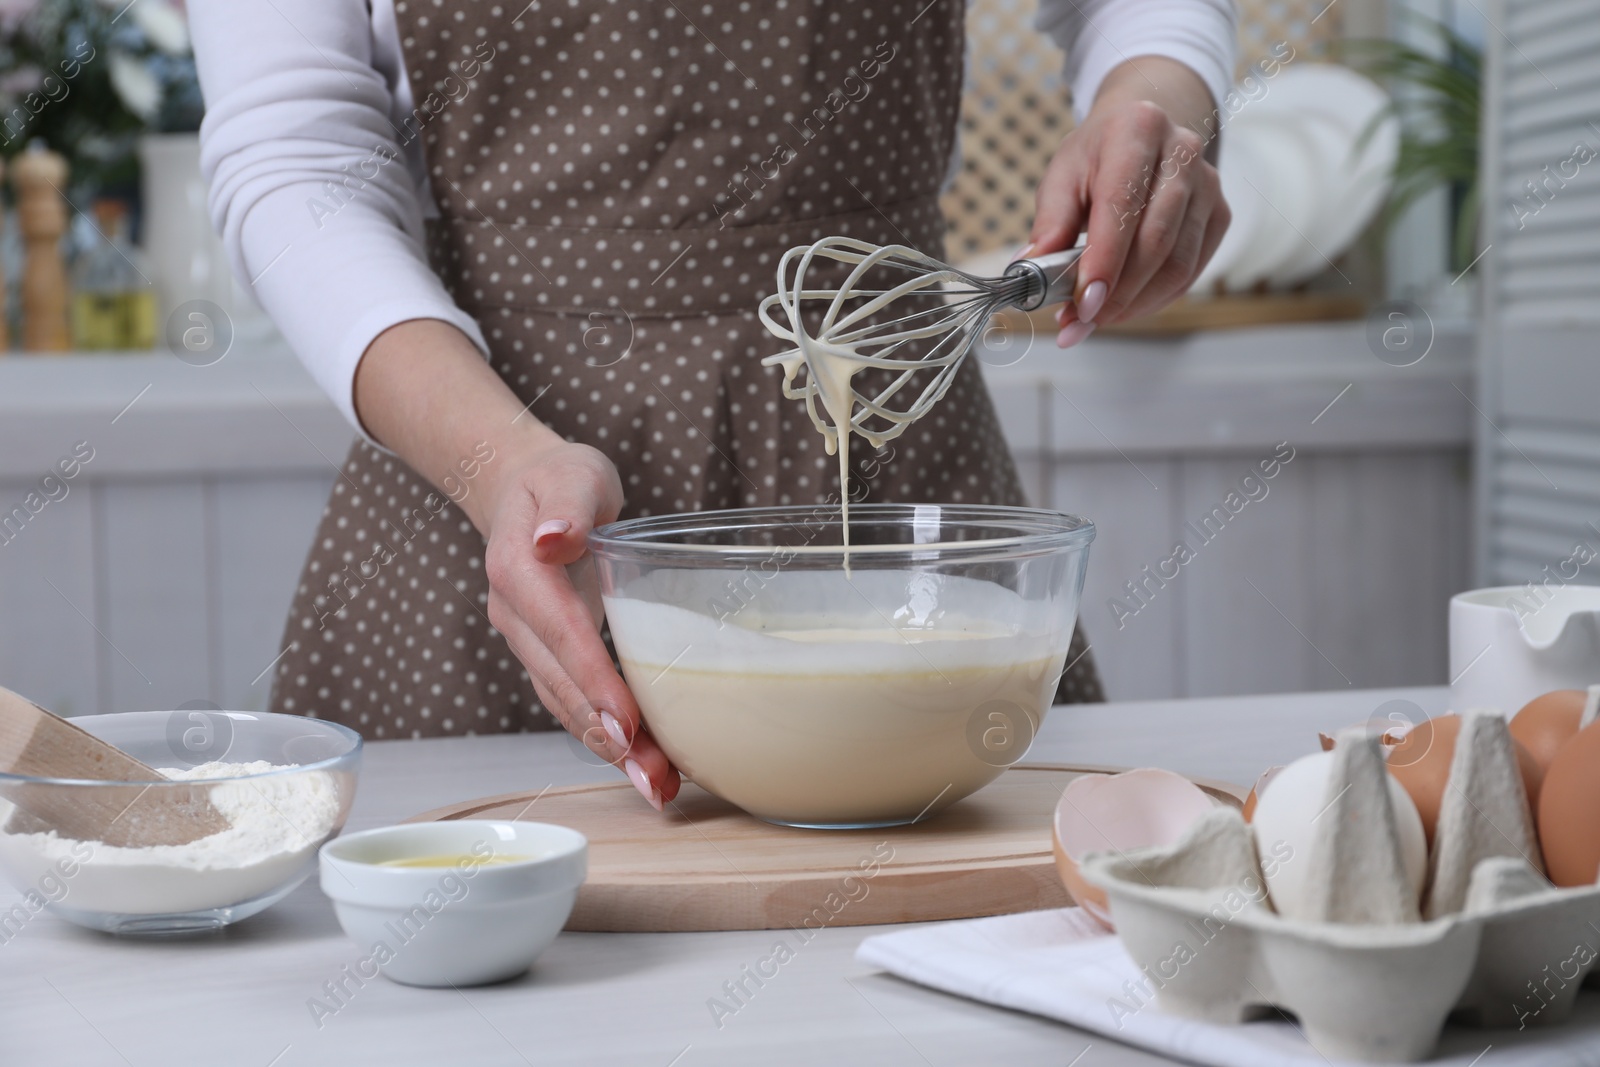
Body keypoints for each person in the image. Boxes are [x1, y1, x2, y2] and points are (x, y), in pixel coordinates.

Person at [190, 0, 1234, 810]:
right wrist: (495, 462)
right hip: (509, 503)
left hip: (893, 450)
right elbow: (297, 155)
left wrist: (1153, 101)